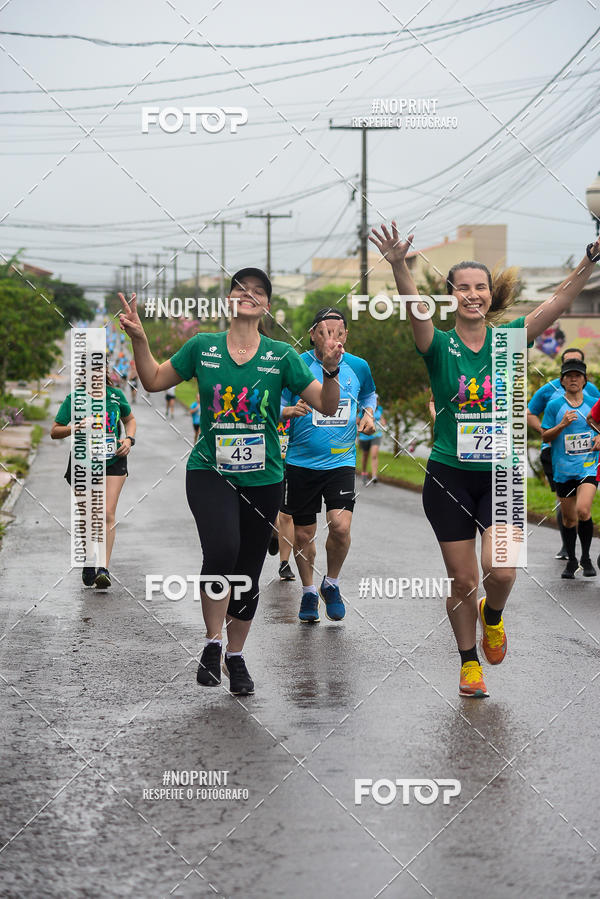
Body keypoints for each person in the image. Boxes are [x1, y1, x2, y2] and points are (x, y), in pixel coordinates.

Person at [370, 221, 600, 698]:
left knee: (503, 572)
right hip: (450, 476)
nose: (472, 295)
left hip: (502, 476)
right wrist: (398, 265)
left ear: (491, 296)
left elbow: (556, 303)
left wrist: (588, 262)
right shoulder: (437, 346)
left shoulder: (510, 339)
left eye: (480, 288)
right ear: (451, 295)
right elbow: (415, 309)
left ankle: (491, 617)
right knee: (462, 578)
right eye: (463, 288)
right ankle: (468, 662)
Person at [118, 268, 342, 695]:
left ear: (267, 305)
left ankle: (235, 655)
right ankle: (211, 640)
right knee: (222, 549)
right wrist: (140, 340)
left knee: (248, 570)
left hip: (264, 478)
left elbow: (327, 406)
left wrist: (331, 370)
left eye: (258, 291)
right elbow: (152, 380)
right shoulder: (202, 347)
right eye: (241, 289)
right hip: (210, 471)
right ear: (228, 299)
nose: (249, 295)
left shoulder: (281, 355)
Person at [280, 307, 376, 624]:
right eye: (323, 330)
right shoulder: (297, 365)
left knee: (341, 526)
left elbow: (371, 395)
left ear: (345, 335)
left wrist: (369, 415)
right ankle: (309, 591)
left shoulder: (358, 366)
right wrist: (288, 410)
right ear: (312, 334)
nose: (331, 336)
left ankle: (330, 583)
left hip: (341, 459)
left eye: (337, 330)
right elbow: (276, 401)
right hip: (300, 462)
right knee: (304, 533)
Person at [51, 363, 136, 589]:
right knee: (88, 514)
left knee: (107, 512)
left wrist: (128, 439)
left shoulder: (116, 396)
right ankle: (88, 559)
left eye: (100, 370)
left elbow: (130, 419)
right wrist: (77, 426)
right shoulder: (74, 399)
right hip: (83, 462)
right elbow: (55, 430)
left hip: (114, 460)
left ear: (105, 372)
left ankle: (103, 568)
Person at [528, 347, 599, 559]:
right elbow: (530, 412)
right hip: (553, 452)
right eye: (568, 366)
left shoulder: (593, 391)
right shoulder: (549, 390)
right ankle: (566, 544)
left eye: (577, 366)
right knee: (565, 500)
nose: (573, 375)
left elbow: (597, 416)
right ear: (562, 372)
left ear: (584, 375)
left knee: (583, 505)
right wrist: (547, 430)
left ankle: (582, 551)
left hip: (586, 456)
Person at [267, 419, 296, 581]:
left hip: (291, 464)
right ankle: (274, 531)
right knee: (270, 511)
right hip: (269, 465)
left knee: (287, 515)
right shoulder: (270, 398)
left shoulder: (302, 400)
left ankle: (284, 563)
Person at [358, 396, 386, 485]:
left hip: (376, 435)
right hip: (364, 436)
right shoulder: (363, 409)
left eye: (377, 400)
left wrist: (382, 423)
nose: (376, 402)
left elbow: (383, 421)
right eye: (374, 400)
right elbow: (357, 421)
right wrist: (367, 420)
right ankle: (364, 473)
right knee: (365, 455)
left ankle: (374, 476)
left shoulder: (379, 410)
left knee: (374, 454)